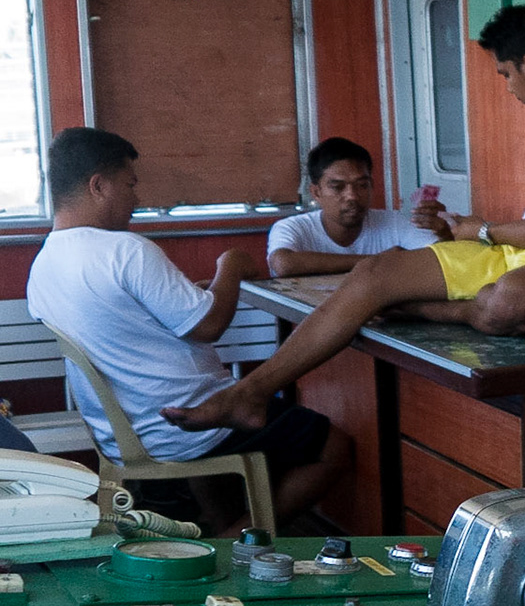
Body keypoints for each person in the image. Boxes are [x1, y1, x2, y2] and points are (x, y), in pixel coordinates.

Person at [164, 4, 525, 434]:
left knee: (506, 302)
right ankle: (250, 392)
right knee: (378, 271)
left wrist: (481, 231)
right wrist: (470, 233)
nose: (508, 87)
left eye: (506, 74)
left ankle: (426, 306)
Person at [26, 128, 351, 533]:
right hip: (184, 427)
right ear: (98, 186)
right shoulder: (125, 250)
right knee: (335, 447)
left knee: (213, 396)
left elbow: (133, 322)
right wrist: (229, 265)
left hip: (124, 433)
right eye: (130, 185)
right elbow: (208, 325)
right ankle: (239, 539)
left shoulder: (43, 266)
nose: (136, 199)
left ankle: (217, 521)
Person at [267, 137, 437, 277]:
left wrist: (446, 233)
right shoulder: (293, 227)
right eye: (337, 187)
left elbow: (437, 259)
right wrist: (377, 261)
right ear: (316, 192)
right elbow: (284, 264)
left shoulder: (396, 222)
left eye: (362, 185)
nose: (352, 196)